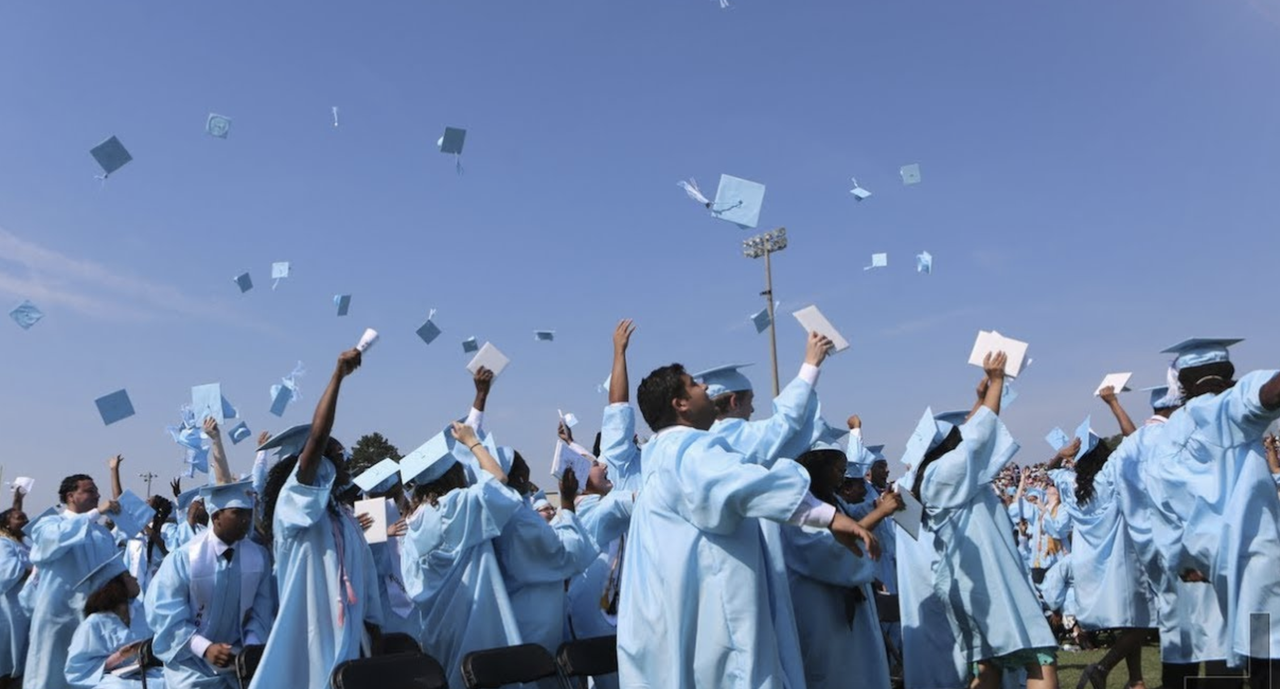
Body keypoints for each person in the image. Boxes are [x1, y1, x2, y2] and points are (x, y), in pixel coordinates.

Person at [617, 359, 877, 688]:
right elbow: (742, 483)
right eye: (695, 386)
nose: (706, 389)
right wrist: (828, 516)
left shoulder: (658, 456)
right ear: (680, 404)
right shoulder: (687, 450)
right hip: (717, 614)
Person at [911, 353, 1058, 689]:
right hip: (988, 582)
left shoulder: (934, 477)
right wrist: (997, 381)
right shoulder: (945, 473)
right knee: (1039, 658)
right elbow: (975, 439)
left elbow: (969, 437)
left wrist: (980, 399)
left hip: (967, 582)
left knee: (988, 665)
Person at [1146, 338, 1280, 684]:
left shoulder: (1170, 434)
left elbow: (1164, 507)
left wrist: (1184, 559)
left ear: (1183, 383)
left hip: (1207, 568)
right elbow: (1264, 396)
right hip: (1255, 561)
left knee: (1241, 651)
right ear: (1228, 375)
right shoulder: (1221, 410)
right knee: (1266, 652)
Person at [249, 349, 384, 689]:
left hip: (353, 635)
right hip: (312, 632)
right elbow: (318, 438)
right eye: (336, 452)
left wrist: (373, 624)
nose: (344, 455)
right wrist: (338, 375)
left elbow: (364, 574)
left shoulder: (342, 516)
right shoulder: (293, 504)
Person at [400, 419, 524, 689]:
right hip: (472, 621)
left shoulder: (412, 525)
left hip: (438, 628)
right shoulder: (452, 508)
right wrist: (472, 442)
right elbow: (498, 482)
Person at [1041, 409, 1155, 689]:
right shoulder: (1108, 477)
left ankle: (1136, 680)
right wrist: (1113, 402)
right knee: (1141, 621)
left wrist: (1062, 453)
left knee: (1130, 623)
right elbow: (1133, 438)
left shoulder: (1070, 485)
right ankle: (1101, 668)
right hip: (1119, 559)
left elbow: (1050, 470)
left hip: (1090, 565)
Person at [783, 441, 897, 689]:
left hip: (844, 602)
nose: (841, 477)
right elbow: (831, 550)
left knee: (859, 669)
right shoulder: (799, 509)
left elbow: (851, 521)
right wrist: (879, 513)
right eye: (837, 470)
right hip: (820, 608)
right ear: (817, 469)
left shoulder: (828, 500)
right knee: (834, 673)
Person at [145, 481, 275, 688]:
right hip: (190, 666)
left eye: (248, 513)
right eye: (237, 513)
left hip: (238, 664)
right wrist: (204, 648)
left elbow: (262, 609)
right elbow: (165, 614)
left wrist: (250, 649)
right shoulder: (184, 558)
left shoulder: (258, 557)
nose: (246, 520)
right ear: (216, 517)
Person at [494, 456, 594, 687]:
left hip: (521, 618)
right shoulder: (520, 520)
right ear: (520, 478)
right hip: (532, 625)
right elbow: (569, 554)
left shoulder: (499, 514)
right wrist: (567, 503)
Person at [26, 467, 122, 689]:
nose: (97, 495)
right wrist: (95, 513)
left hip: (93, 616)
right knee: (49, 675)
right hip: (57, 615)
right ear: (71, 496)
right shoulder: (49, 525)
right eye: (90, 491)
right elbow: (50, 544)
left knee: (87, 674)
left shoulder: (102, 534)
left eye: (97, 491)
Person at [65, 553, 165, 688]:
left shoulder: (142, 613)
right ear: (116, 586)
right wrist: (121, 656)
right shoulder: (94, 624)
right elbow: (80, 670)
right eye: (128, 576)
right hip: (113, 679)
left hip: (149, 673)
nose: (135, 578)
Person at [0, 488, 32, 689]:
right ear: (6, 524)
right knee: (7, 657)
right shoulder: (3, 543)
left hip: (24, 609)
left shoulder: (23, 543)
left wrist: (18, 501)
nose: (25, 521)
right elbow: (6, 572)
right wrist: (31, 570)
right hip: (9, 608)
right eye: (20, 518)